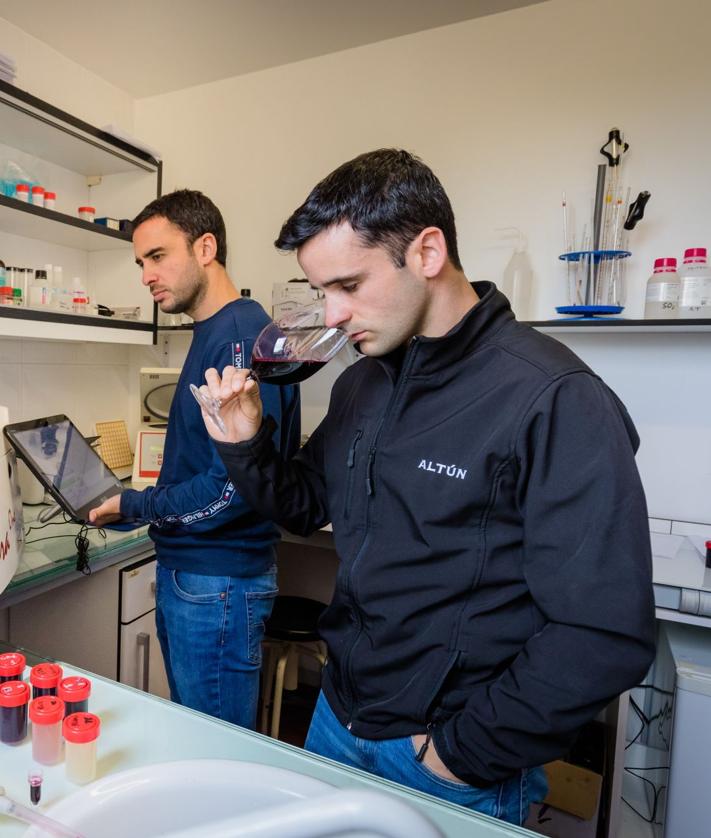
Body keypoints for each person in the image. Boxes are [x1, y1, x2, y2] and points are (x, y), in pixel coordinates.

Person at [196, 150, 655, 824]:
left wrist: (460, 753)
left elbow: (603, 631)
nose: (332, 314)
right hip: (335, 718)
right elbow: (305, 507)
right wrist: (243, 442)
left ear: (428, 251)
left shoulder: (553, 399)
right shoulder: (362, 381)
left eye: (349, 285)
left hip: (445, 756)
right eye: (321, 290)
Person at [89, 189, 300, 730]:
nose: (146, 275)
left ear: (205, 247)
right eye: (140, 262)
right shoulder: (221, 330)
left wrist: (134, 503)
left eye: (157, 256)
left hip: (217, 582)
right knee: (201, 735)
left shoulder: (237, 336)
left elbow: (229, 490)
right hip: (206, 578)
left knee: (217, 752)